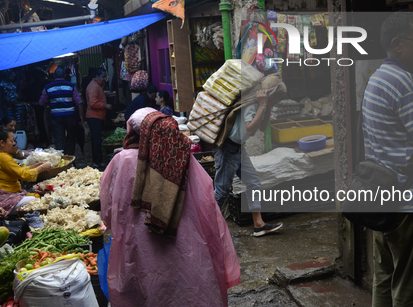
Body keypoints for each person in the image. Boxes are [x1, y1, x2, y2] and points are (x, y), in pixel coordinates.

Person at [100, 107, 240, 306]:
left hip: (139, 244)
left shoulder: (123, 160)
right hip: (186, 244)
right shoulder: (181, 158)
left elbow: (108, 208)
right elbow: (207, 202)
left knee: (148, 288)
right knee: (185, 289)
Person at [363, 11, 413, 307]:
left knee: (386, 277)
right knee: (411, 287)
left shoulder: (379, 77)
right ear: (398, 44)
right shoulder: (407, 84)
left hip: (385, 196)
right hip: (411, 203)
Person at [213, 76, 286, 237]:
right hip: (228, 148)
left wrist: (267, 107)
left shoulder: (263, 104)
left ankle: (258, 224)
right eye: (279, 97)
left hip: (239, 148)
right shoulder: (253, 103)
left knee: (253, 181)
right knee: (221, 191)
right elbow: (251, 129)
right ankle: (208, 228)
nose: (280, 100)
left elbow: (262, 128)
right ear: (272, 93)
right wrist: (263, 105)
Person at [0, 127, 51, 214]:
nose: (14, 143)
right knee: (36, 199)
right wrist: (42, 168)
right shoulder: (2, 157)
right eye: (11, 141)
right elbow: (23, 175)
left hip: (5, 193)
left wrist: (35, 166)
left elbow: (17, 170)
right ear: (2, 143)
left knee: (35, 196)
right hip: (1, 197)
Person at [38, 67, 84, 155]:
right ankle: (70, 157)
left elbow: (41, 102)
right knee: (71, 138)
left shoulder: (48, 87)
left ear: (54, 76)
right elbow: (79, 102)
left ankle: (61, 159)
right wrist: (81, 118)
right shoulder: (71, 86)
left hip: (56, 117)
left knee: (59, 139)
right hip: (70, 117)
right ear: (64, 75)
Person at [86, 68, 111, 169]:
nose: (105, 78)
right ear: (97, 76)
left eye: (105, 76)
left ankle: (97, 161)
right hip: (94, 116)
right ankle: (97, 162)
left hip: (97, 116)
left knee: (96, 139)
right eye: (103, 77)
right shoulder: (94, 87)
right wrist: (105, 105)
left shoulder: (97, 86)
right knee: (96, 140)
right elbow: (93, 103)